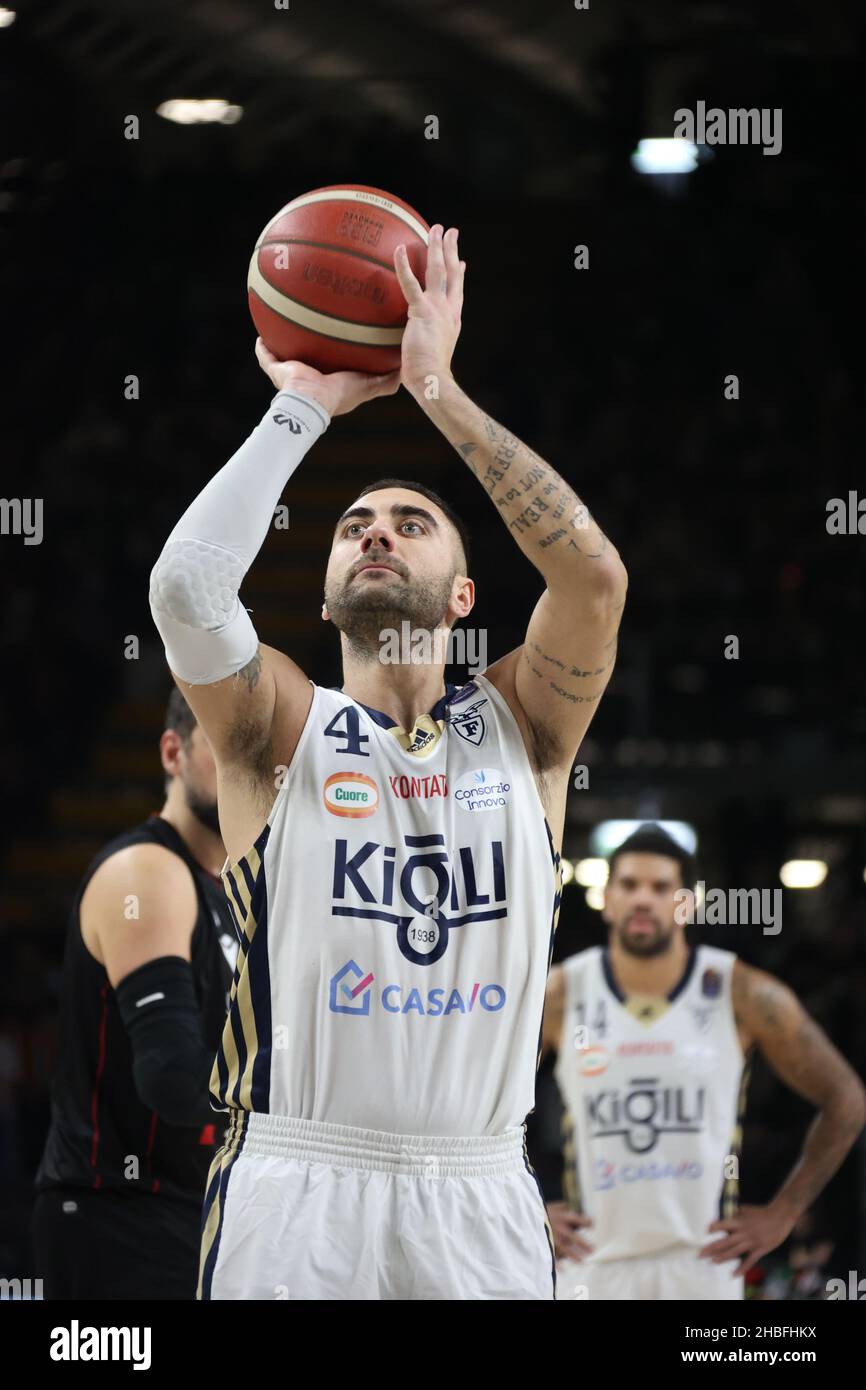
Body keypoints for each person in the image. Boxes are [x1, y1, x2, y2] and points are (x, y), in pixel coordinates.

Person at [148, 222, 628, 1300]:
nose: (375, 533)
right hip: (295, 1183)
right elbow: (184, 592)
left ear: (462, 596)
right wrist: (303, 406)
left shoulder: (526, 728)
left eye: (411, 524)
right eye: (353, 525)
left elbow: (593, 580)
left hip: (478, 1194)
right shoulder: (276, 726)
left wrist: (435, 391)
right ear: (324, 596)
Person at [541, 823, 866, 1300]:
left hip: (701, 1265)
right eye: (629, 885)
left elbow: (847, 1098)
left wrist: (785, 1212)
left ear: (686, 903)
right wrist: (528, 1208)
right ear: (607, 898)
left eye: (660, 887)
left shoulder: (742, 992)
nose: (643, 900)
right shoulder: (561, 993)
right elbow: (484, 1100)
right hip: (590, 1265)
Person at [32, 689, 237, 1299]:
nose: (244, 768)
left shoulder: (237, 890)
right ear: (173, 753)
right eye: (223, 747)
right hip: (115, 1216)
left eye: (254, 751)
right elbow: (172, 1074)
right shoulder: (145, 872)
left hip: (189, 1210)